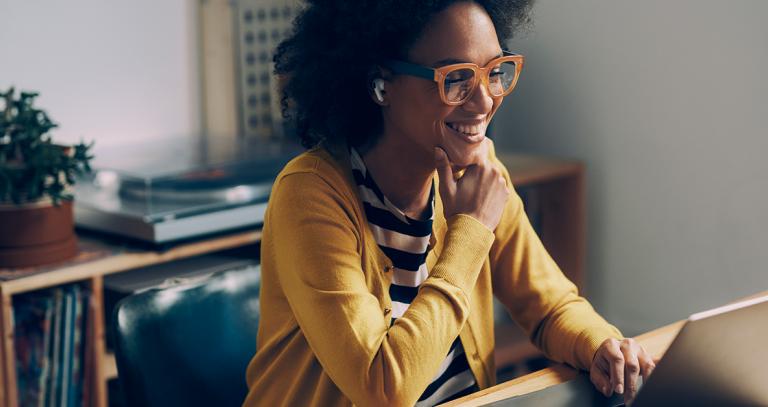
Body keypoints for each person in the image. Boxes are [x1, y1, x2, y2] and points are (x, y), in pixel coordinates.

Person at [243, 1, 655, 406]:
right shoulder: (311, 194)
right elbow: (383, 388)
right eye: (457, 78)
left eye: (495, 72)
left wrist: (601, 345)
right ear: (381, 84)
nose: (484, 102)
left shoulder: (479, 170)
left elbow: (550, 307)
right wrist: (470, 232)